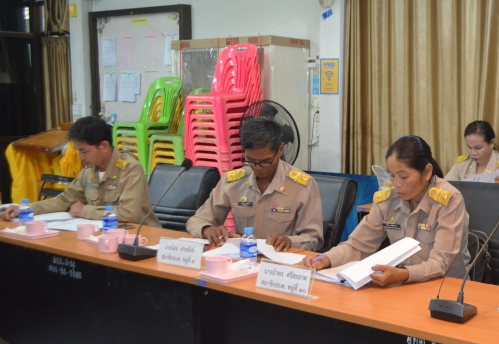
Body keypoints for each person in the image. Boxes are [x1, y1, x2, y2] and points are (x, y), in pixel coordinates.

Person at [302, 135, 470, 286]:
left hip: (446, 288)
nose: (396, 184)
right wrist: (325, 259)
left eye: (403, 177)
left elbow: (440, 263)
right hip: (403, 285)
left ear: (426, 172)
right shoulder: (389, 200)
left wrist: (402, 274)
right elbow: (357, 246)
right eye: (392, 175)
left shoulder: (449, 200)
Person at [186, 117, 323, 251]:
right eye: (250, 160)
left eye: (265, 161)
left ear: (280, 150)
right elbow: (196, 221)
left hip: (281, 259)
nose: (257, 167)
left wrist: (289, 241)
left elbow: (314, 238)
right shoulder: (233, 182)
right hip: (243, 257)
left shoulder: (302, 185)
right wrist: (207, 229)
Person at [0, 116, 159, 226]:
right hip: (103, 233)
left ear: (104, 146)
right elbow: (65, 200)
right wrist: (26, 209)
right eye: (78, 151)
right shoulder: (89, 170)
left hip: (139, 236)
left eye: (84, 151)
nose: (80, 157)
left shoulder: (130, 169)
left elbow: (128, 214)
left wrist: (85, 211)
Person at [444, 121, 499, 185]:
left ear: (491, 143)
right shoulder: (462, 165)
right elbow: (444, 187)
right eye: (469, 147)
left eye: (478, 148)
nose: (473, 153)